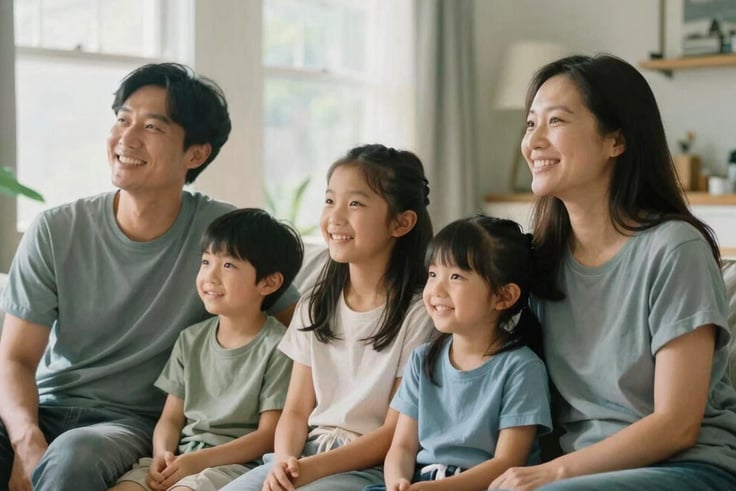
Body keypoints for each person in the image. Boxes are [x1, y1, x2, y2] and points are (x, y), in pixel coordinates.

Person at [0, 63, 298, 491]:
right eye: (122, 119)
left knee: (74, 454)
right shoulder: (56, 229)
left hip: (130, 425)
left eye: (152, 127)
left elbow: (300, 332)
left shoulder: (224, 235)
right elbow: (15, 360)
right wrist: (27, 443)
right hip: (44, 408)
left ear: (195, 153)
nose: (127, 137)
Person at [489, 54, 736, 491]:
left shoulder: (674, 248)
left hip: (685, 467)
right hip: (578, 473)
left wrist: (551, 473)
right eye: (530, 124)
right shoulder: (539, 260)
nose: (533, 141)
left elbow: (677, 425)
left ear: (615, 141)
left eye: (556, 121)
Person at [220, 144, 436, 491]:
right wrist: (287, 460)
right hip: (300, 456)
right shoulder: (314, 303)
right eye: (329, 200)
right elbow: (294, 411)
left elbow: (392, 432)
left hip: (367, 467)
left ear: (401, 222)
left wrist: (310, 470)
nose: (335, 217)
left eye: (355, 203)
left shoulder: (420, 314)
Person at [108, 208, 303, 491]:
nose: (210, 276)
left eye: (228, 266)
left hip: (231, 466)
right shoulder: (191, 339)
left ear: (268, 282)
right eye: (206, 261)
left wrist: (197, 462)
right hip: (180, 458)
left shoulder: (278, 346)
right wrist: (162, 454)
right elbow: (171, 418)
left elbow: (268, 435)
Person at [363, 215, 553, 491]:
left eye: (456, 277)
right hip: (420, 483)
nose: (437, 289)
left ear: (504, 296)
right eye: (432, 274)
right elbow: (402, 446)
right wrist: (398, 483)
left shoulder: (521, 368)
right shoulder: (422, 360)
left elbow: (508, 463)